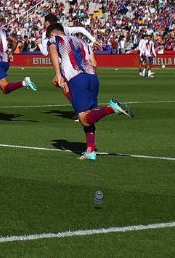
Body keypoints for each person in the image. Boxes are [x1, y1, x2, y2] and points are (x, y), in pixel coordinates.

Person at [47, 22, 133, 161]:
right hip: (92, 77)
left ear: (53, 34)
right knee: (89, 116)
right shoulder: (82, 42)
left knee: (83, 119)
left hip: (77, 77)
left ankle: (111, 108)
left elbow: (52, 50)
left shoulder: (56, 39)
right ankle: (90, 151)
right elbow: (94, 63)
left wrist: (58, 73)